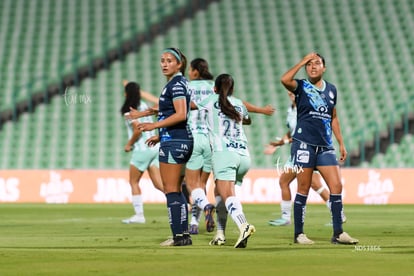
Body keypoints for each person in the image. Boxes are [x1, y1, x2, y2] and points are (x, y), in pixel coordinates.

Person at [280, 52, 358, 245]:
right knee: (304, 187)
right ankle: (299, 234)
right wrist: (301, 61)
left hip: (325, 146)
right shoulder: (301, 86)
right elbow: (284, 79)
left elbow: (333, 117)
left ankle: (338, 233)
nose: (313, 67)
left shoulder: (332, 90)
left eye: (317, 64)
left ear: (324, 68)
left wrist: (341, 143)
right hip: (303, 143)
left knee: (337, 186)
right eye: (310, 64)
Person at [137, 47, 194, 246]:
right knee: (177, 190)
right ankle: (184, 235)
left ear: (179, 64)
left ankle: (178, 237)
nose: (164, 64)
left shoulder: (176, 84)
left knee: (170, 190)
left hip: (175, 142)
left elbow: (181, 114)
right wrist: (159, 135)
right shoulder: (179, 84)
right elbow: (174, 111)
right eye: (162, 60)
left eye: (169, 60)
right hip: (178, 139)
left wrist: (154, 125)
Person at [264, 91, 346, 226]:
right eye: (289, 93)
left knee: (314, 184)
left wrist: (282, 143)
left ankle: (339, 214)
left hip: (309, 150)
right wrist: (278, 144)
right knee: (286, 181)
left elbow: (304, 132)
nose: (291, 94)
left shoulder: (306, 108)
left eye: (293, 92)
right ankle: (285, 217)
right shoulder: (291, 110)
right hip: (297, 151)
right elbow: (292, 132)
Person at [195, 73, 255, 248]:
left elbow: (186, 107)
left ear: (215, 88)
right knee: (220, 193)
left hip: (224, 153)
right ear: (232, 89)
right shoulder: (238, 103)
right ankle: (220, 234)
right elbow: (248, 120)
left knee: (228, 195)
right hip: (243, 155)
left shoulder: (210, 100)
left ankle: (243, 225)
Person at [120, 82, 163, 224]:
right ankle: (184, 203)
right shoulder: (144, 106)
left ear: (126, 94)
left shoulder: (128, 111)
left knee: (133, 181)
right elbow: (159, 103)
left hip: (142, 149)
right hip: (154, 147)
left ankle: (139, 215)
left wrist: (128, 144)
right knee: (159, 184)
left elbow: (137, 130)